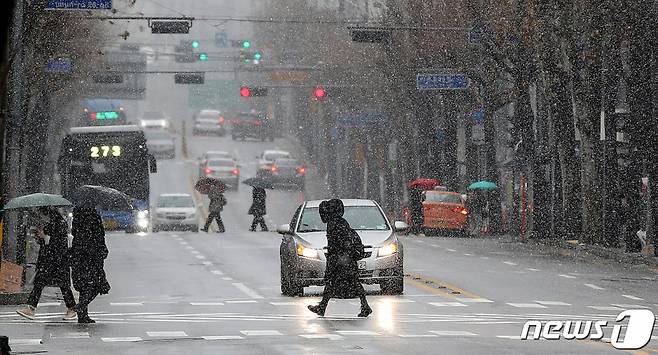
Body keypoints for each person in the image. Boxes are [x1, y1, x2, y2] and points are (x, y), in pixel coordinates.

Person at [307, 199, 372, 318]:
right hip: (345, 258)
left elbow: (339, 242)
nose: (322, 216)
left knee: (333, 282)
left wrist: (337, 257)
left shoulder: (334, 223)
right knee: (353, 281)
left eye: (323, 213)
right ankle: (364, 306)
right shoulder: (341, 222)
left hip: (340, 259)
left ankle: (322, 307)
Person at [16, 207, 77, 321]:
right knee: (40, 283)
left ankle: (72, 309)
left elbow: (59, 243)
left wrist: (45, 237)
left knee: (63, 285)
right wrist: (40, 237)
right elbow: (48, 242)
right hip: (49, 260)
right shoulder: (52, 223)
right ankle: (31, 308)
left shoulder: (59, 223)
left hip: (57, 261)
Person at [70, 204, 110, 324]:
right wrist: (101, 249)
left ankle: (82, 315)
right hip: (93, 255)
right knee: (97, 284)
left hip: (79, 254)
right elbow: (99, 236)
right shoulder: (94, 217)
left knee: (84, 285)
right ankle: (82, 305)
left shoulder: (77, 217)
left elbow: (74, 233)